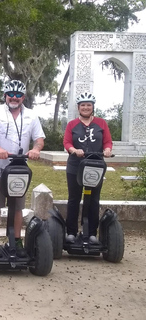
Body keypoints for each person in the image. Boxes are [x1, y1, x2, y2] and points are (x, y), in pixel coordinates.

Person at [0, 80, 45, 258]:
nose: (14, 98)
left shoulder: (31, 116)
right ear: (5, 95)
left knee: (17, 206)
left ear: (23, 97)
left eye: (18, 95)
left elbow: (39, 138)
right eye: (11, 94)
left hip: (19, 168)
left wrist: (36, 149)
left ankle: (16, 240)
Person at [63, 92, 112, 244]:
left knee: (93, 199)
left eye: (88, 105)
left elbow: (107, 141)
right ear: (78, 107)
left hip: (95, 166)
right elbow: (66, 142)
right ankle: (71, 232)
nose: (85, 107)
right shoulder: (72, 124)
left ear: (92, 107)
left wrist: (108, 150)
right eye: (83, 105)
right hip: (75, 166)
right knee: (74, 198)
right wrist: (73, 150)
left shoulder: (101, 123)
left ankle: (91, 233)